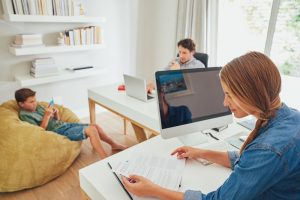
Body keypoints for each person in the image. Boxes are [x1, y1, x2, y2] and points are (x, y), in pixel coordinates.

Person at [122, 51, 300, 199]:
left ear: (250, 94)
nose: (224, 102)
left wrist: (153, 190)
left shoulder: (267, 149)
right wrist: (202, 153)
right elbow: (248, 161)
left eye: (229, 95)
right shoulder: (289, 116)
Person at [15, 88, 127, 159]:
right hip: (57, 132)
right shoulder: (25, 115)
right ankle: (104, 158)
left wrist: (55, 114)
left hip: (63, 125)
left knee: (95, 126)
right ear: (21, 104)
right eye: (31, 102)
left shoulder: (38, 107)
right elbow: (39, 131)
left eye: (35, 100)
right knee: (92, 130)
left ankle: (113, 144)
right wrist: (46, 116)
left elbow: (56, 120)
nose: (35, 103)